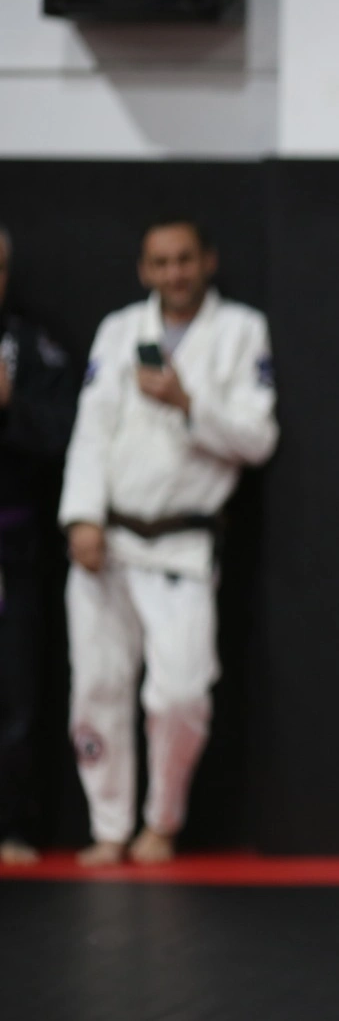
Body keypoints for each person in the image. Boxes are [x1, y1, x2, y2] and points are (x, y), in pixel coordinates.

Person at [59, 216, 278, 866]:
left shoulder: (240, 330)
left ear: (208, 260)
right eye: (160, 262)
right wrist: (81, 516)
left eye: (184, 259)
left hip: (183, 544)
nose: (173, 273)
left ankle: (162, 819)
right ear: (143, 269)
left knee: (180, 695)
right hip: (108, 539)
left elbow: (258, 439)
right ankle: (108, 826)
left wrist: (189, 403)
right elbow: (91, 429)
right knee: (96, 688)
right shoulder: (120, 329)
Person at [0, 226, 78, 865]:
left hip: (14, 544)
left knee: (17, 693)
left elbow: (62, 435)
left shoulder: (33, 348)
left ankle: (13, 826)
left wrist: (10, 405)